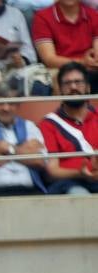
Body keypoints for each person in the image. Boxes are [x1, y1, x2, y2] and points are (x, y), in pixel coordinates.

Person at [0, 83, 48, 197]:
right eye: (0, 103)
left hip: (30, 190)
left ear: (18, 106)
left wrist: (7, 149)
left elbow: (40, 161)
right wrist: (24, 151)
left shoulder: (28, 126)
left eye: (11, 103)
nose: (6, 108)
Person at [39, 62, 98, 194]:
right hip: (68, 184)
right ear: (60, 90)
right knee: (80, 196)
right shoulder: (48, 124)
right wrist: (80, 173)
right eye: (67, 83)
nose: (73, 87)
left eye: (78, 82)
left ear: (88, 87)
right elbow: (52, 171)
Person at [32, 0, 98, 94]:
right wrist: (82, 62)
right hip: (58, 67)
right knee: (63, 78)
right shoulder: (42, 17)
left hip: (89, 67)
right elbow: (49, 60)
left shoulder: (94, 15)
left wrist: (93, 60)